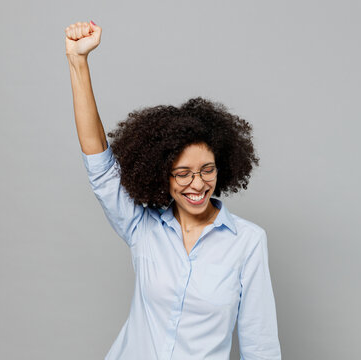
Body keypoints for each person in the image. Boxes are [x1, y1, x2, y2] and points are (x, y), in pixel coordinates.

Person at [65, 19, 281, 360]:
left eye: (207, 170)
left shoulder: (248, 242)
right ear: (162, 175)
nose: (198, 184)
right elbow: (100, 165)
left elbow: (260, 344)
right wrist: (78, 62)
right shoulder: (142, 228)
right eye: (183, 174)